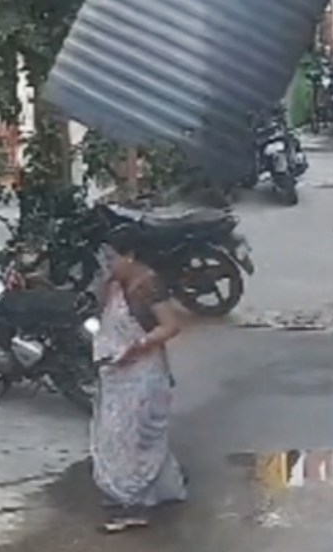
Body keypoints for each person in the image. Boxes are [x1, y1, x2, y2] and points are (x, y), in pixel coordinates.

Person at [91, 224, 187, 533]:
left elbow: (170, 326)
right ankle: (137, 491)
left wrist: (137, 347)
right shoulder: (114, 283)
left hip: (143, 376)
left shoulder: (147, 285)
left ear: (130, 256)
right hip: (118, 373)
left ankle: (133, 504)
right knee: (115, 435)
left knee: (134, 440)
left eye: (113, 258)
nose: (108, 264)